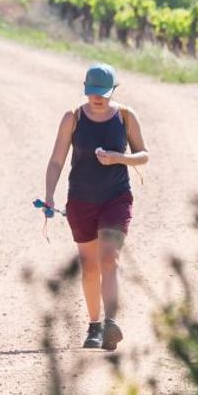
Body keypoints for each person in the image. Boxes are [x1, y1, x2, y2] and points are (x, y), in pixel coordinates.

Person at [44, 63, 148, 351]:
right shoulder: (73, 118)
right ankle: (94, 326)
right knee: (90, 266)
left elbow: (143, 155)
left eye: (102, 93)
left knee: (109, 258)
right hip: (80, 200)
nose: (97, 98)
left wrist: (118, 158)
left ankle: (111, 322)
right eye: (92, 93)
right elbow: (56, 160)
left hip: (116, 198)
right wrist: (50, 194)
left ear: (113, 90)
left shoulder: (126, 116)